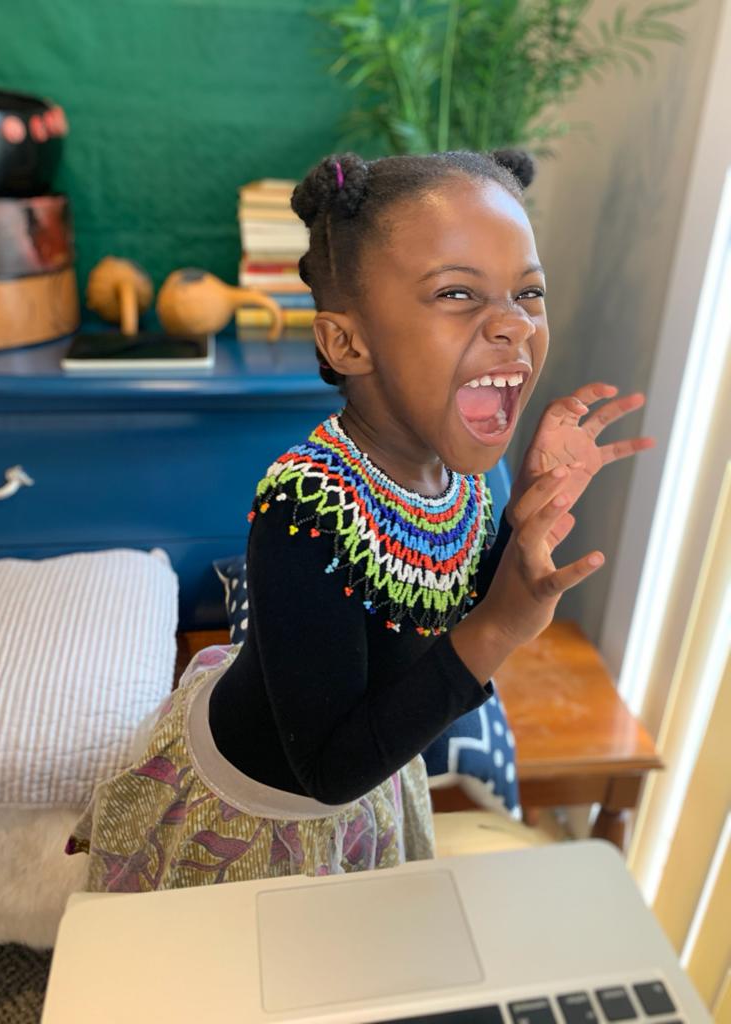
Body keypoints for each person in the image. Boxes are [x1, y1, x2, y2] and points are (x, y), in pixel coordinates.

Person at [67, 150, 654, 890]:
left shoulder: (467, 472)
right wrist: (500, 628)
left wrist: (522, 519)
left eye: (528, 292)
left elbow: (448, 595)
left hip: (375, 765)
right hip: (259, 811)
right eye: (457, 294)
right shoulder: (305, 515)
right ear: (348, 342)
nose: (512, 324)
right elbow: (329, 769)